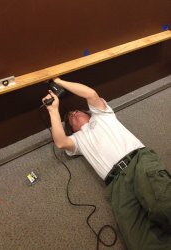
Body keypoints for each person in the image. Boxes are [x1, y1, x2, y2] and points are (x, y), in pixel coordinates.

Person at [42, 77, 171, 250]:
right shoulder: (77, 141)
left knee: (162, 205)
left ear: (88, 112)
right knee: (139, 240)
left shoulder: (102, 115)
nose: (73, 114)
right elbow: (60, 142)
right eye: (70, 118)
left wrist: (58, 81)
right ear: (71, 129)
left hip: (137, 161)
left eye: (76, 111)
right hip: (116, 185)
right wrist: (53, 110)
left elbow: (91, 94)